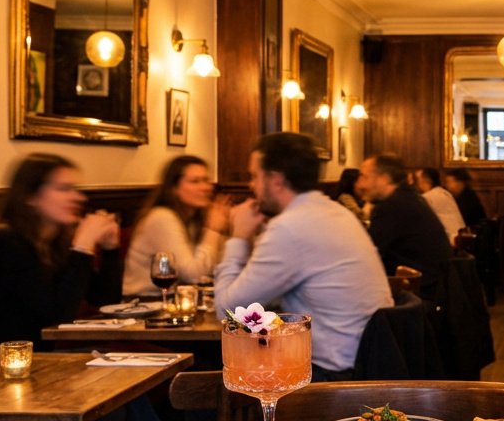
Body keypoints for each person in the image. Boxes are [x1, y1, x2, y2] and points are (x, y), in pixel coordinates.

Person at [214, 133, 391, 378]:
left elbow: (228, 312)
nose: (251, 186)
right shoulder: (334, 212)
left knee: (221, 371)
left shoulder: (290, 227)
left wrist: (238, 237)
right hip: (370, 362)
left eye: (254, 176)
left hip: (331, 376)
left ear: (275, 180)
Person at [0, 153, 122, 358]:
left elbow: (107, 300)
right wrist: (83, 246)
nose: (78, 197)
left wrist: (110, 250)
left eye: (76, 190)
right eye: (64, 189)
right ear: (30, 196)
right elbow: (57, 316)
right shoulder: (3, 240)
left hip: (27, 360)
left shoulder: (53, 242)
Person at [123, 156, 230, 296]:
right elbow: (194, 276)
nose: (205, 188)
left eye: (206, 180)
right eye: (195, 181)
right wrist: (213, 230)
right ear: (174, 188)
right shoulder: (161, 217)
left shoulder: (195, 217)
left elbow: (218, 265)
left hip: (178, 302)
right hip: (145, 304)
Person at [359, 153, 452, 305]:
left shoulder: (391, 206)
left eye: (365, 177)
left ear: (384, 178)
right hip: (433, 292)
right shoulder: (408, 197)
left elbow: (368, 255)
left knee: (307, 302)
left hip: (413, 300)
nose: (361, 184)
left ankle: (305, 328)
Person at [414, 167, 466, 242]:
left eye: (417, 180)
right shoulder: (443, 193)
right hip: (459, 238)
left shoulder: (429, 197)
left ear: (426, 180)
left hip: (450, 242)